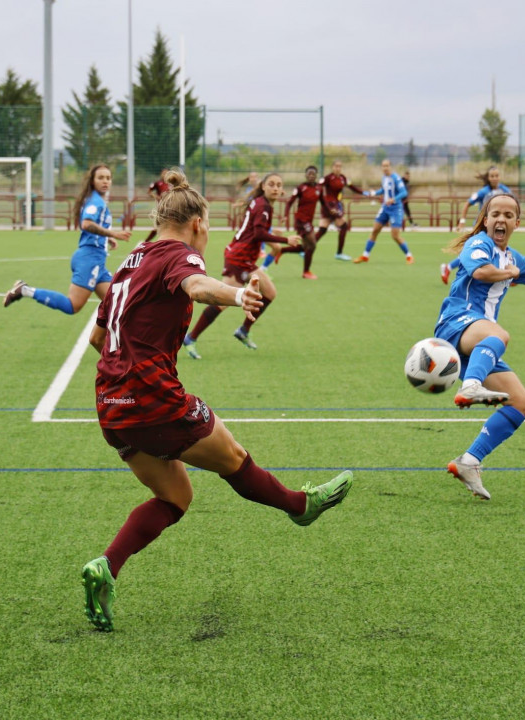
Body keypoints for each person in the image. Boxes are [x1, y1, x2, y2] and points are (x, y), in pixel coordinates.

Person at [80, 169, 352, 632]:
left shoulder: (129, 263)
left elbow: (96, 337)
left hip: (110, 403)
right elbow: (197, 287)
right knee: (234, 460)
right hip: (154, 399)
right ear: (198, 223)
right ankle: (299, 507)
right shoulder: (179, 254)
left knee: (175, 496)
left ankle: (106, 565)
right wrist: (236, 293)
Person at [434, 193, 525, 500]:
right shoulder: (480, 244)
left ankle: (469, 461)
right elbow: (480, 272)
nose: (500, 219)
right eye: (494, 214)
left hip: (481, 341)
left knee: (520, 403)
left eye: (507, 215)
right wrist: (510, 274)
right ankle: (472, 385)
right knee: (500, 335)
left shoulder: (512, 256)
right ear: (485, 220)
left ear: (517, 222)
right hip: (457, 321)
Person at [182, 172, 300, 357]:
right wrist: (285, 239)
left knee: (269, 293)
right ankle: (191, 337)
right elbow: (258, 234)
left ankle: (243, 331)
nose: (276, 188)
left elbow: (257, 231)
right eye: (272, 184)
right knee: (222, 301)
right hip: (239, 257)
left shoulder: (262, 203)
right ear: (263, 186)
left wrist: (274, 239)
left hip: (246, 257)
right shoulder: (263, 206)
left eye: (279, 185)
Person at [3, 164, 132, 313]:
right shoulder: (96, 202)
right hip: (89, 259)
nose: (105, 181)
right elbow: (86, 224)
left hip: (97, 261)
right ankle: (24, 290)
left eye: (108, 178)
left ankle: (105, 337)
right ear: (92, 181)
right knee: (73, 306)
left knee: (117, 304)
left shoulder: (97, 201)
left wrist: (107, 239)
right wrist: (113, 234)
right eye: (101, 178)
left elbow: (94, 226)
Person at [440, 166, 511, 284]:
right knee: (478, 251)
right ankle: (449, 267)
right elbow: (467, 203)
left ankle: (506, 273)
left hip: (496, 226)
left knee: (497, 249)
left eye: (496, 176)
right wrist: (462, 221)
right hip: (482, 227)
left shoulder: (505, 190)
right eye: (492, 176)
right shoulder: (484, 192)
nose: (494, 178)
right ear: (488, 178)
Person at [262, 165, 322, 279]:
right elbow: (289, 202)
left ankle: (282, 251)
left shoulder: (319, 189)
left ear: (316, 176)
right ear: (306, 175)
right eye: (309, 174)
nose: (311, 176)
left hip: (309, 221)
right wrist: (285, 215)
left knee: (305, 247)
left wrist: (331, 212)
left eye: (313, 174)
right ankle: (306, 272)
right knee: (312, 244)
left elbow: (324, 203)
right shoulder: (301, 188)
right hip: (301, 220)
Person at [353, 159, 413, 264]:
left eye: (387, 166)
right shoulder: (384, 178)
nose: (385, 168)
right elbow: (383, 190)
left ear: (390, 167)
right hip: (385, 208)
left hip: (395, 209)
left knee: (395, 235)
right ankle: (365, 255)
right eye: (383, 166)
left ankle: (409, 256)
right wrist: (373, 193)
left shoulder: (396, 178)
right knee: (375, 230)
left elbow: (404, 192)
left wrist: (393, 199)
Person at [317, 160, 365, 261]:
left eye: (340, 166)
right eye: (336, 166)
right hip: (330, 205)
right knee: (344, 226)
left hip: (335, 205)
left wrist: (364, 193)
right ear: (332, 167)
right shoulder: (328, 178)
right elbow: (318, 187)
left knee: (322, 230)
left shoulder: (343, 178)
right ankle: (339, 253)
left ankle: (304, 249)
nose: (338, 168)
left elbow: (353, 187)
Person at [143, 173, 171, 242]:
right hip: (160, 208)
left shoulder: (171, 184)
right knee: (157, 227)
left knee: (169, 227)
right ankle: (146, 242)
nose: (164, 175)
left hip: (170, 208)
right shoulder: (158, 183)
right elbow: (149, 191)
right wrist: (156, 197)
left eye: (166, 173)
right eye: (163, 173)